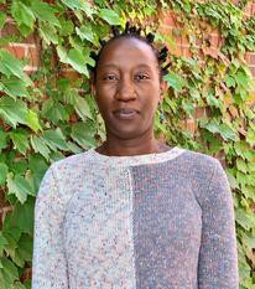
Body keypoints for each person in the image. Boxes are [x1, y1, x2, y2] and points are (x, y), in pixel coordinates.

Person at [31, 22, 239, 289]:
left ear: (162, 89)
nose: (125, 93)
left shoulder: (203, 176)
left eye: (141, 77)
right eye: (110, 78)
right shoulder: (63, 181)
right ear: (94, 90)